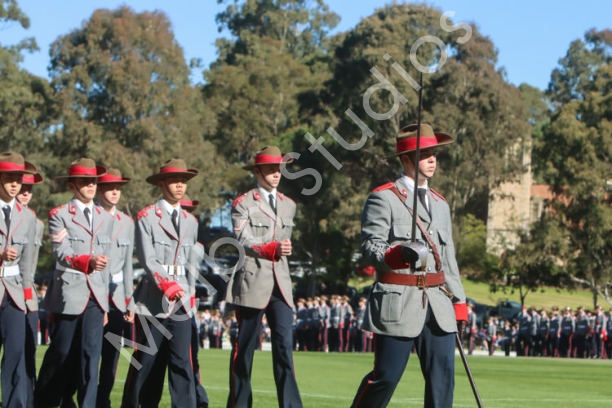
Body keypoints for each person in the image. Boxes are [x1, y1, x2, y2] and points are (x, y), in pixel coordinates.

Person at [351, 124, 468, 408]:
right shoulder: (384, 197)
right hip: (398, 301)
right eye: (424, 154)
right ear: (405, 158)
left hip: (439, 304)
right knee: (386, 377)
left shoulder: (441, 204)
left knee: (442, 381)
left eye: (434, 153)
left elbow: (448, 259)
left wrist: (460, 303)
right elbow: (370, 246)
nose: (432, 159)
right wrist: (396, 255)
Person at [225, 146, 302, 408]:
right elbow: (242, 239)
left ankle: (290, 405)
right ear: (257, 172)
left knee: (284, 348)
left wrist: (284, 248)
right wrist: (271, 248)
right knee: (245, 348)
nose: (276, 174)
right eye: (270, 169)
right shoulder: (243, 203)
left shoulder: (289, 205)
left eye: (279, 169)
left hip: (281, 284)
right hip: (252, 283)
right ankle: (239, 404)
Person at [35, 158, 114, 408]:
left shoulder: (106, 218)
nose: (91, 185)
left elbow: (106, 264)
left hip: (95, 298)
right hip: (68, 294)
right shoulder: (59, 215)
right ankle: (44, 401)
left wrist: (105, 303)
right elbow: (62, 253)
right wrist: (88, 261)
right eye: (84, 181)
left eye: (93, 181)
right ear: (72, 185)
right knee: (61, 352)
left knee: (91, 356)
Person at [122, 158, 200, 408]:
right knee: (147, 362)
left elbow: (191, 263)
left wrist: (191, 296)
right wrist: (168, 286)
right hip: (154, 300)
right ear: (162, 183)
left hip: (182, 301)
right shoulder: (146, 217)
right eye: (175, 180)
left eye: (184, 181)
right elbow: (148, 259)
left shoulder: (191, 222)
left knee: (182, 362)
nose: (180, 185)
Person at [95, 168, 135, 408]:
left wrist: (130, 299)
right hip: (92, 294)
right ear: (99, 190)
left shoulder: (127, 223)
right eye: (110, 188)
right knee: (88, 352)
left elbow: (128, 264)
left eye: (118, 188)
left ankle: (103, 399)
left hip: (117, 297)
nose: (115, 192)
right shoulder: (91, 217)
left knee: (111, 354)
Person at [0, 152, 38, 407]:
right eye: (9, 178)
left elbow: (27, 263)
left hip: (14, 294)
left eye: (18, 178)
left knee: (15, 352)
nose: (15, 184)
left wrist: (27, 298)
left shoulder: (28, 217)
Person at [15, 161, 44, 407]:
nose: (26, 193)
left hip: (27, 292)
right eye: (23, 188)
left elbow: (30, 264)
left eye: (30, 189)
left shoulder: (37, 222)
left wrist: (28, 295)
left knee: (28, 349)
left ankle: (27, 399)